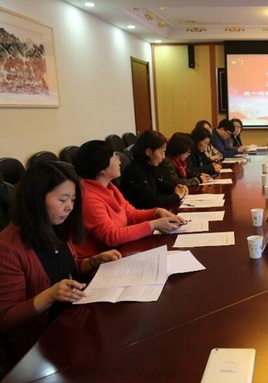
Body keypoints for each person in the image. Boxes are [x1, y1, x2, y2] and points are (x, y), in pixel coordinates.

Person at [0, 162, 121, 359]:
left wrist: (93, 262)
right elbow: (6, 319)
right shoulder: (8, 248)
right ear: (36, 199)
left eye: (73, 200)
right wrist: (49, 295)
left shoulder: (56, 227)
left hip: (74, 319)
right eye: (63, 200)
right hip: (41, 346)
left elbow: (66, 272)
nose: (70, 207)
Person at [74, 140, 186, 258]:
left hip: (121, 250)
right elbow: (111, 236)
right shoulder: (88, 198)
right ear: (101, 169)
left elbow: (131, 215)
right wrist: (153, 225)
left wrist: (156, 212)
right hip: (103, 260)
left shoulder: (110, 187)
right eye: (115, 158)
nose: (119, 162)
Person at [120, 130, 189, 209]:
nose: (163, 157)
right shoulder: (135, 171)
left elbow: (163, 185)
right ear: (148, 152)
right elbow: (152, 201)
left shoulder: (151, 166)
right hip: (140, 213)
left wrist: (179, 188)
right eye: (161, 152)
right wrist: (177, 196)